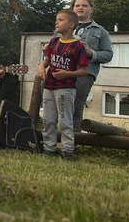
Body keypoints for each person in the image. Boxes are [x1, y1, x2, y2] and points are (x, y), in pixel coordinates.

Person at [36, 10, 89, 161]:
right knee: (48, 119)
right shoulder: (53, 42)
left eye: (60, 20)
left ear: (71, 24)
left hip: (66, 88)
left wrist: (68, 74)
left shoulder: (78, 47)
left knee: (65, 121)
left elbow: (84, 70)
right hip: (49, 86)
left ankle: (67, 151)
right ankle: (49, 148)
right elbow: (47, 60)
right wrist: (41, 68)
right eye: (56, 20)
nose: (56, 23)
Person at [71, 0, 113, 132]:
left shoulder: (101, 31)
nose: (80, 8)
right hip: (62, 72)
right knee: (56, 106)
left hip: (85, 72)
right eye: (77, 5)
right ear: (73, 9)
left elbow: (108, 54)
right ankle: (53, 142)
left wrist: (91, 54)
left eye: (84, 5)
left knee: (76, 108)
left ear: (91, 9)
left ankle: (72, 144)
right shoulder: (63, 26)